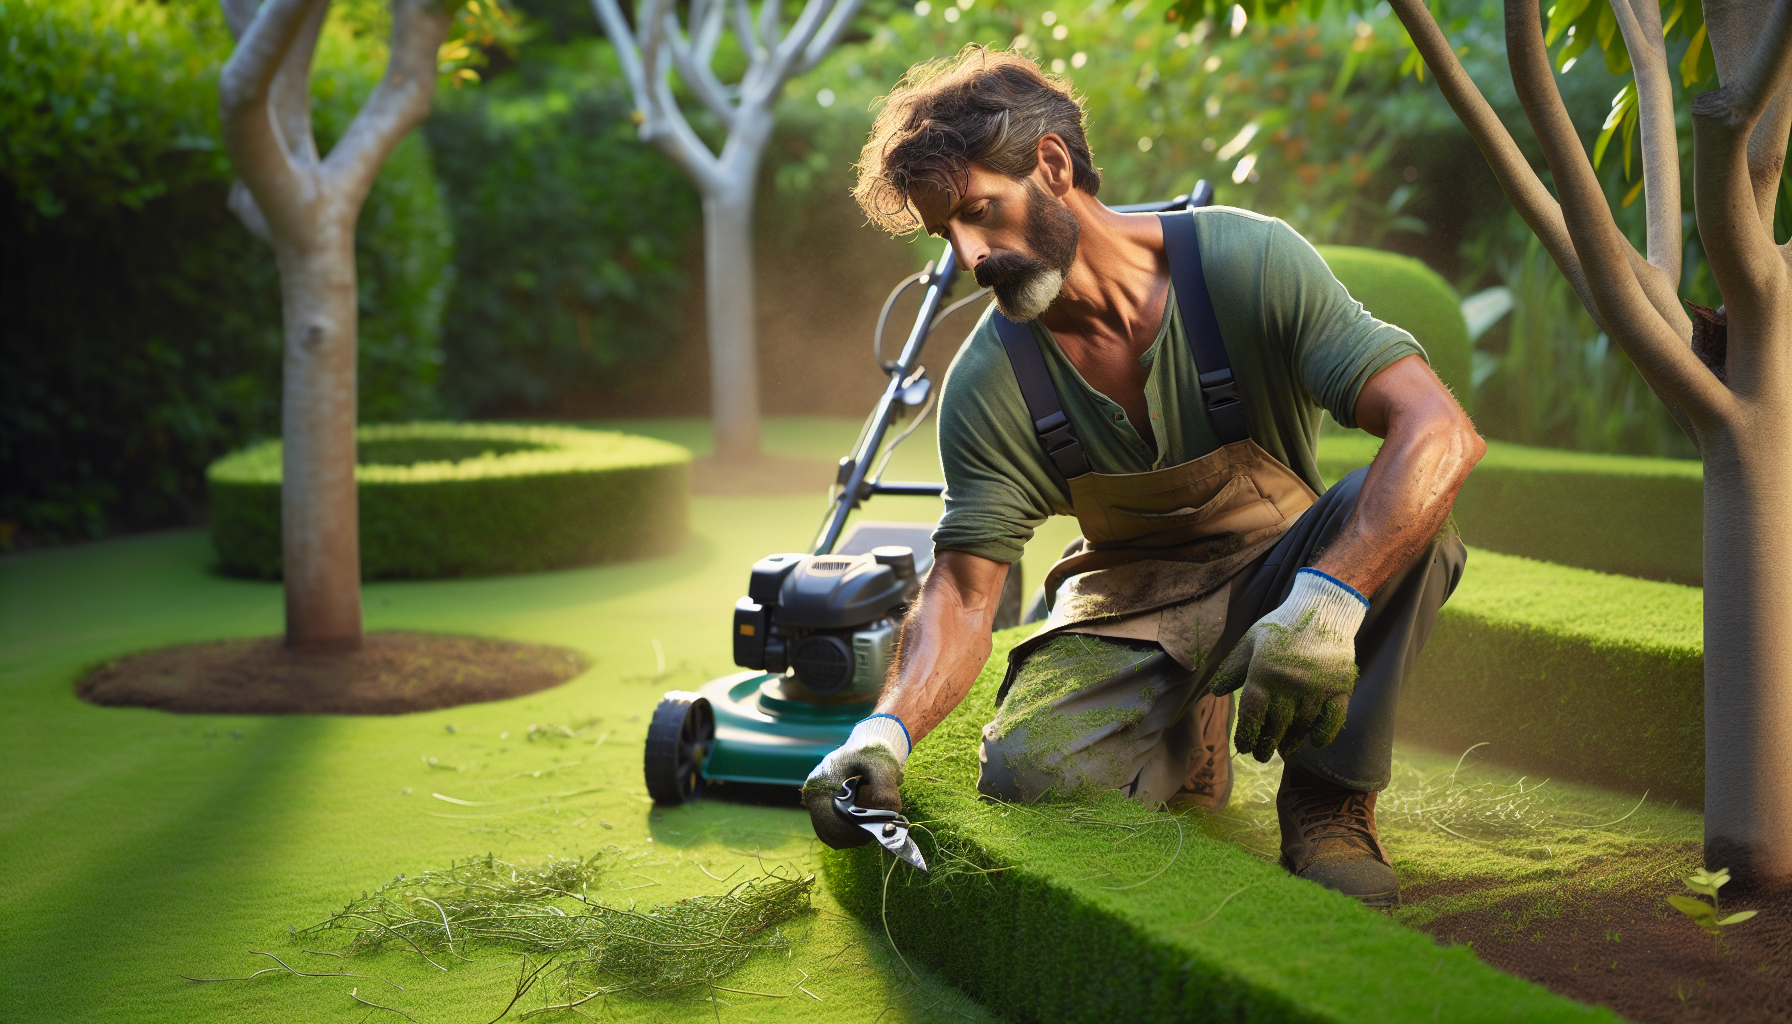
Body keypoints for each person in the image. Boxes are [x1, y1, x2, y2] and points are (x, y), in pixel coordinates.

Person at [802, 45, 1480, 909]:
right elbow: (967, 590)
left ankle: (1328, 804)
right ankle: (1185, 730)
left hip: (1283, 569)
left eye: (981, 212)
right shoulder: (987, 381)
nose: (970, 255)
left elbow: (1439, 430)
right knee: (1024, 772)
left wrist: (1327, 603)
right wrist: (884, 732)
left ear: (1051, 165)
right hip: (1128, 608)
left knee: (1411, 519)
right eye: (949, 234)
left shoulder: (1247, 263)